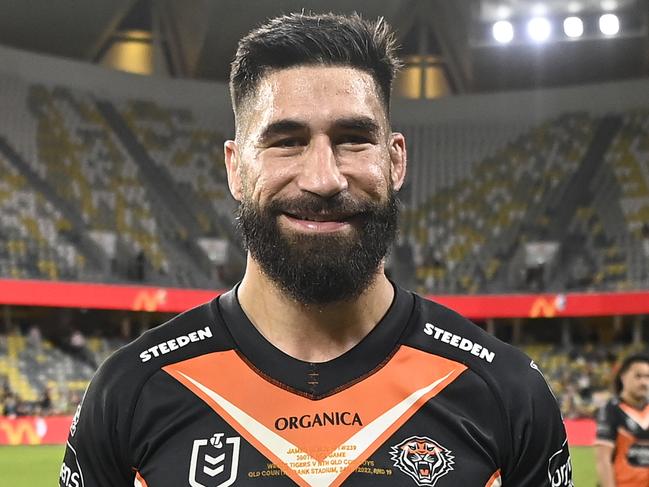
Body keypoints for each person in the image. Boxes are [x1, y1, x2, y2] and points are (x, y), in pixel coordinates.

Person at [59, 12, 572, 487]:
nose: (323, 179)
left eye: (353, 139)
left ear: (396, 161)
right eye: (286, 141)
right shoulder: (128, 393)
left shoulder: (507, 392)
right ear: (236, 169)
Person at [595, 353, 649, 487]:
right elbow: (603, 459)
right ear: (623, 377)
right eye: (638, 376)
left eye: (647, 377)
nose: (644, 382)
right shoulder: (611, 410)